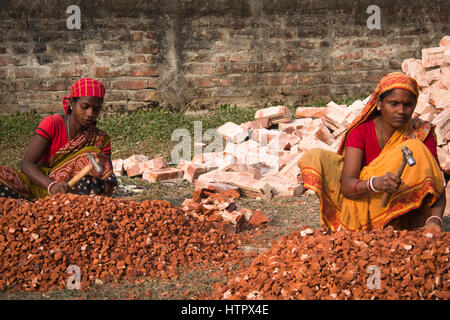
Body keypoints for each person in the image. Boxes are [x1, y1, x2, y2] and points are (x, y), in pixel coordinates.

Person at [298, 72, 446, 232]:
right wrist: (376, 183)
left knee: (415, 147)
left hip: (405, 211)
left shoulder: (422, 133)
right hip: (362, 201)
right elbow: (347, 185)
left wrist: (435, 220)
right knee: (316, 157)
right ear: (379, 103)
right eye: (393, 103)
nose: (401, 111)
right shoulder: (361, 131)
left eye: (408, 105)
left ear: (414, 105)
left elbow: (437, 183)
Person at [0, 78, 117, 200]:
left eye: (96, 109)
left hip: (71, 194)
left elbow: (107, 177)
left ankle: (63, 208)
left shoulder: (101, 139)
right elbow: (26, 164)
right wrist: (52, 186)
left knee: (93, 160)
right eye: (85, 106)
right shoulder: (53, 124)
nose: (90, 113)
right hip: (37, 186)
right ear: (72, 103)